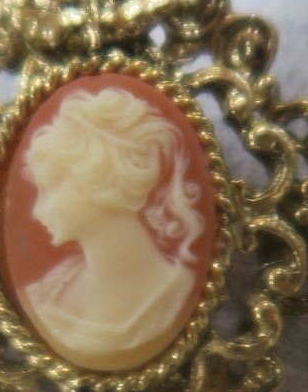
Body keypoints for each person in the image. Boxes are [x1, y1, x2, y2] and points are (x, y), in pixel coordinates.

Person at [19, 83, 206, 371]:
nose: (36, 210)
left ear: (99, 181)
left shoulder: (176, 297)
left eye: (51, 187)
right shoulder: (46, 291)